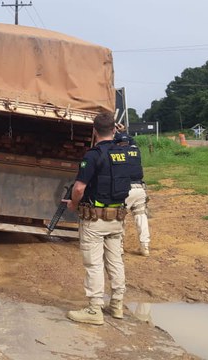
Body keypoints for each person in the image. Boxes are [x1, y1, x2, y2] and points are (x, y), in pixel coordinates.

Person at [65, 112, 131, 325]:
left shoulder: (92, 156)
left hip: (95, 220)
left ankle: (95, 310)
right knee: (115, 261)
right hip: (117, 218)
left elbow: (79, 188)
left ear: (94, 131)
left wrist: (74, 204)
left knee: (94, 264)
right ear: (114, 129)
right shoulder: (124, 153)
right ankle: (117, 305)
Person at [115, 124, 151, 257]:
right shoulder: (136, 151)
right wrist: (124, 131)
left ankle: (119, 248)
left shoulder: (116, 152)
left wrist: (116, 133)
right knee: (141, 217)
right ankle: (145, 247)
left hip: (125, 190)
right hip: (140, 189)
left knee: (119, 218)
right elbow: (132, 141)